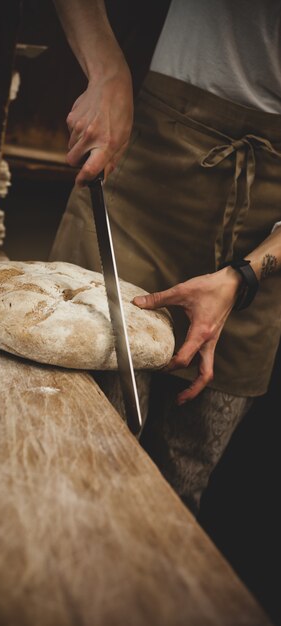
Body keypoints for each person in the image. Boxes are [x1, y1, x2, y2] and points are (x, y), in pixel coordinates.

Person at [50, 0, 281, 515]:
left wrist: (242, 277)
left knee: (179, 489)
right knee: (80, 460)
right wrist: (106, 70)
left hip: (267, 249)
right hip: (146, 175)